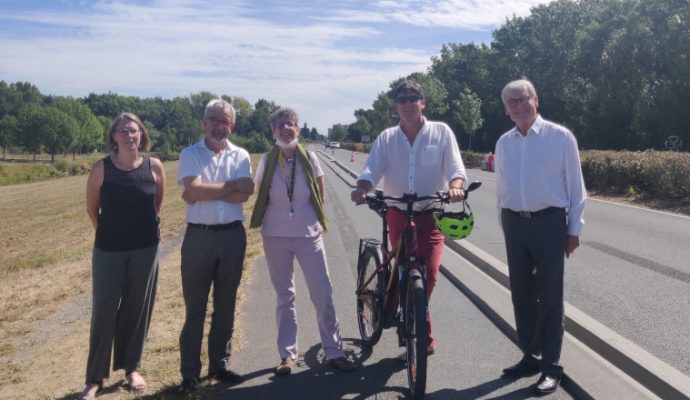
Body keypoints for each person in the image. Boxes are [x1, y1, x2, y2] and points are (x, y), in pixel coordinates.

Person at [350, 79, 467, 354]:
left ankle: (411, 316)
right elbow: (371, 171)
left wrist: (456, 188)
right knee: (403, 270)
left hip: (431, 214)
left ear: (422, 102)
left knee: (430, 273)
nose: (407, 104)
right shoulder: (387, 137)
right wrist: (362, 189)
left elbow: (456, 169)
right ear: (395, 106)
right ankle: (417, 330)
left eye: (413, 98)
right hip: (398, 214)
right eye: (401, 99)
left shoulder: (441, 132)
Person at [495, 79, 586, 395]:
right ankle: (531, 356)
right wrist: (504, 222)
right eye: (511, 103)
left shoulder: (560, 137)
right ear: (506, 111)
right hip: (514, 223)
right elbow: (502, 186)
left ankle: (551, 366)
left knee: (549, 297)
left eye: (522, 99)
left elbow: (576, 187)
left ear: (536, 100)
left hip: (549, 224)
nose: (518, 106)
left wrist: (574, 228)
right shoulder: (504, 142)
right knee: (521, 294)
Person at [250, 107, 355, 375]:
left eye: (292, 124)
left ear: (298, 129)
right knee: (285, 296)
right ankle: (287, 355)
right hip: (275, 235)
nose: (287, 128)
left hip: (309, 235)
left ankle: (334, 350)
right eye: (281, 124)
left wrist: (312, 219)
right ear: (273, 131)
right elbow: (258, 192)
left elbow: (319, 193)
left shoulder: (309, 158)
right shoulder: (266, 160)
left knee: (323, 293)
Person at [81, 113, 165, 399]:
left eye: (136, 130)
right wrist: (107, 232)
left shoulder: (154, 166)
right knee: (104, 311)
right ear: (114, 136)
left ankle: (131, 368)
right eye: (125, 131)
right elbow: (93, 209)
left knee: (136, 309)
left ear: (142, 135)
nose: (131, 135)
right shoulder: (101, 168)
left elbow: (156, 205)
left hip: (146, 248)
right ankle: (94, 379)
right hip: (108, 251)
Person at [176, 99, 254, 394]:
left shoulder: (241, 155)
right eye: (214, 119)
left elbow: (247, 192)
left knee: (226, 305)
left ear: (231, 125)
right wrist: (227, 188)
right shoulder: (190, 154)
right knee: (195, 308)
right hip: (199, 238)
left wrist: (203, 193)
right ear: (204, 121)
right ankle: (189, 373)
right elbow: (193, 189)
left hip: (233, 237)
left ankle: (219, 364)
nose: (220, 125)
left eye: (225, 121)